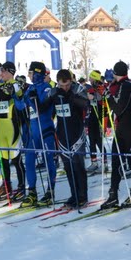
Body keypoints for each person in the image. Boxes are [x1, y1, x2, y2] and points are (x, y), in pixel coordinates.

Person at [42, 69, 90, 209]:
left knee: (78, 166)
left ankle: (82, 196)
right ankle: (74, 194)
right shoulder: (54, 92)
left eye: (67, 84)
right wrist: (32, 99)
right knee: (68, 167)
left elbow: (85, 104)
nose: (65, 88)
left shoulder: (77, 89)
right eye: (62, 86)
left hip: (76, 133)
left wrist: (70, 96)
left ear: (71, 81)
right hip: (62, 134)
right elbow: (43, 108)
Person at [101, 60, 131, 209]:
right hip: (121, 128)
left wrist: (109, 98)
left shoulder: (127, 85)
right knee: (116, 161)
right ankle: (113, 195)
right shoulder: (118, 85)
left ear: (116, 73)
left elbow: (119, 109)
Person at [0, 61, 26, 202]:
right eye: (0, 71)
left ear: (10, 72)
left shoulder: (15, 84)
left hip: (12, 126)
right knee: (3, 159)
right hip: (1, 127)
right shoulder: (1, 84)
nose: (1, 74)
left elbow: (6, 95)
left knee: (16, 159)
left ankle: (21, 187)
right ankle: (7, 186)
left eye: (3, 71)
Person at [20, 61, 57, 207]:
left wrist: (34, 99)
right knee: (29, 160)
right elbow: (20, 106)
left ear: (37, 74)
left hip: (45, 128)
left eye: (30, 73)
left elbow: (43, 109)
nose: (29, 75)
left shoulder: (47, 88)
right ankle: (32, 192)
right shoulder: (31, 89)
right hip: (32, 130)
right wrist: (18, 94)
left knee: (48, 160)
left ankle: (50, 191)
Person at [85, 70, 108, 175]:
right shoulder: (90, 88)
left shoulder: (101, 87)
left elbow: (103, 99)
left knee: (99, 141)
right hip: (91, 118)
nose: (89, 79)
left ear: (95, 78)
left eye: (91, 77)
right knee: (91, 141)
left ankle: (105, 163)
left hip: (100, 117)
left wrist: (94, 97)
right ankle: (94, 162)